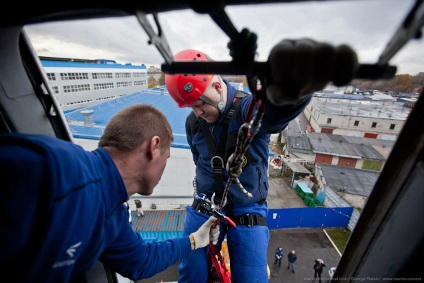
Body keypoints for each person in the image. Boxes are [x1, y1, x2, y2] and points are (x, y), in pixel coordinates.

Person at [165, 39, 358, 283]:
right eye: (192, 107)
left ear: (216, 85)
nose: (197, 113)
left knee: (251, 276)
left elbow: (273, 114)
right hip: (206, 202)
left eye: (200, 104)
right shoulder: (193, 123)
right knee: (192, 272)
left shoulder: (247, 109)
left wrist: (295, 88)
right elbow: (198, 160)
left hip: (247, 207)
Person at [0, 104, 220, 283]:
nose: (165, 165)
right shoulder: (56, 166)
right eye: (167, 156)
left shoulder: (113, 215)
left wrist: (193, 240)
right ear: (154, 146)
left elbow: (141, 261)